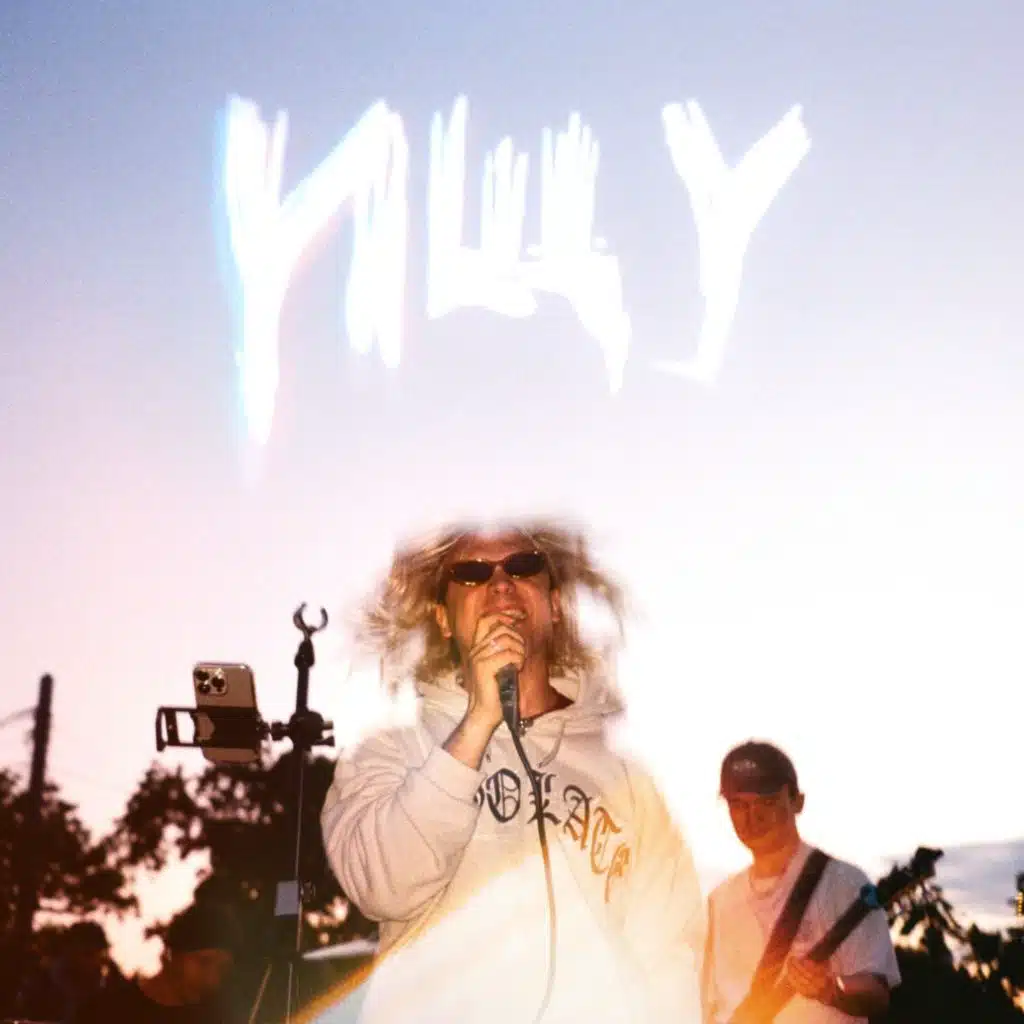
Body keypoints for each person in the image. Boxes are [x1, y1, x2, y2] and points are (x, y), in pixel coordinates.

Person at [321, 519, 705, 1023]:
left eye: (523, 566)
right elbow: (383, 886)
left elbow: (669, 955)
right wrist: (478, 721)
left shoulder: (629, 786)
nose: (501, 584)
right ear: (443, 618)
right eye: (472, 573)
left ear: (555, 605)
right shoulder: (388, 756)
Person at [701, 741, 900, 1023]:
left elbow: (877, 993)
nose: (752, 816)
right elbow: (709, 1006)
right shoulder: (719, 902)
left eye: (767, 801)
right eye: (739, 804)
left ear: (797, 801)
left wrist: (831, 989)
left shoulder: (844, 884)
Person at [76, 901, 239, 1023]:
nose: (212, 979)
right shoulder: (106, 1011)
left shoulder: (217, 1019)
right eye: (204, 962)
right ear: (170, 955)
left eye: (222, 969)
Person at [13, 920, 117, 1022]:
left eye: (98, 955)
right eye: (88, 954)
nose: (95, 962)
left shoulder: (102, 988)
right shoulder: (43, 984)